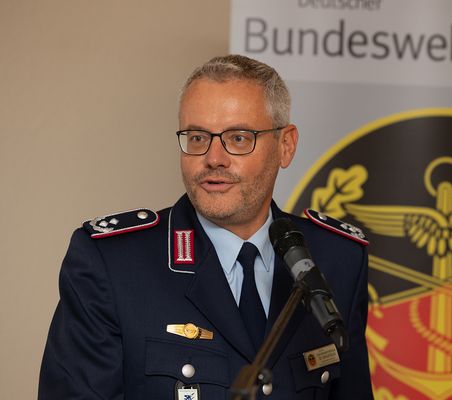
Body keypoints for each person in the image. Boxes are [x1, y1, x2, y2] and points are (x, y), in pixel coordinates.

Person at [39, 54, 373, 399]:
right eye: (198, 138)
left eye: (239, 138)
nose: (213, 158)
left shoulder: (337, 259)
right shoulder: (112, 264)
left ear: (285, 146)